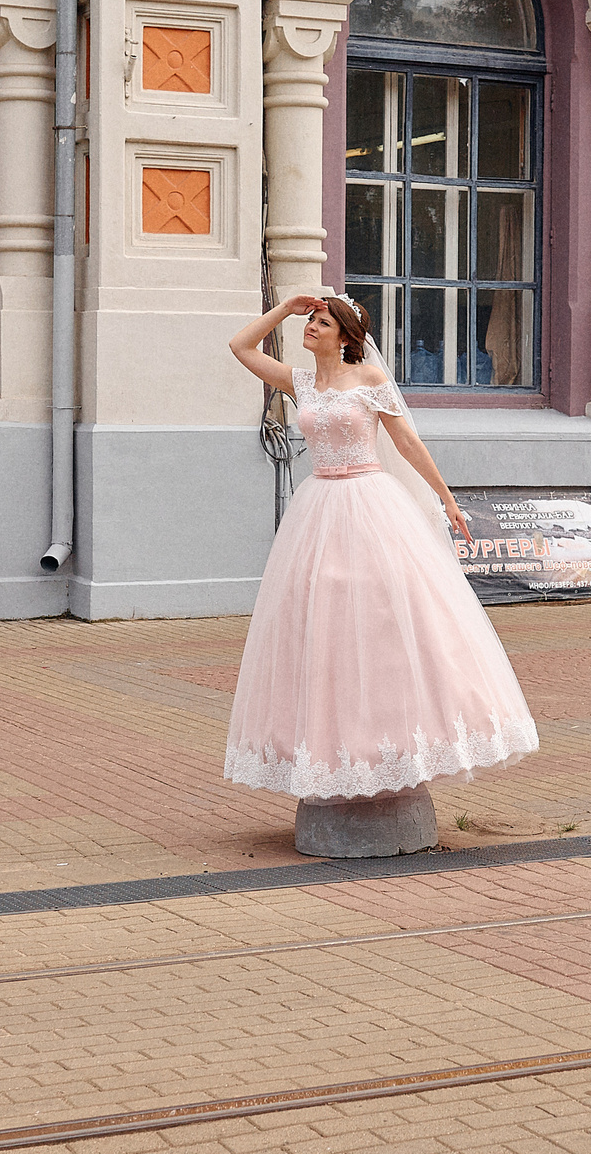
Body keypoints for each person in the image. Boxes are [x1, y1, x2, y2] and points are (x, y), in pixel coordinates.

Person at [222, 293, 537, 801]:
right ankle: (332, 747)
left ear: (346, 337)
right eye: (311, 321)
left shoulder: (368, 378)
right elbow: (241, 347)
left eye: (322, 323)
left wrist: (446, 497)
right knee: (321, 618)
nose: (311, 327)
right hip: (318, 506)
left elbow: (407, 441)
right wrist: (285, 309)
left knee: (385, 614)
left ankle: (397, 739)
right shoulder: (300, 382)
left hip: (370, 501)